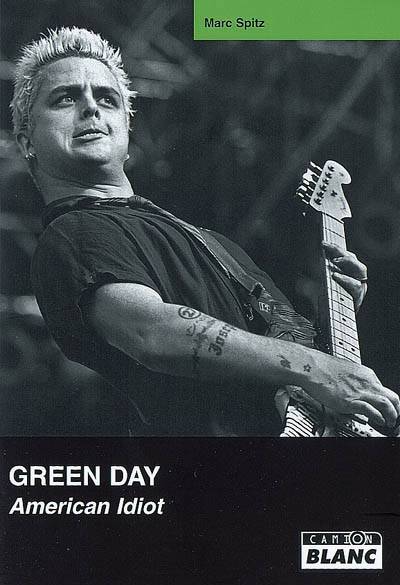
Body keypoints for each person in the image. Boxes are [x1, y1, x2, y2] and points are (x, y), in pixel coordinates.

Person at [11, 27, 400, 436]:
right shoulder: (74, 232)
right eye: (66, 98)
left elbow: (285, 360)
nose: (91, 108)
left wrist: (331, 318)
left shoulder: (212, 243)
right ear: (27, 142)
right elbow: (152, 332)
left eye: (107, 98)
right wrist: (315, 367)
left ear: (127, 126)